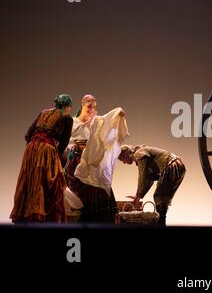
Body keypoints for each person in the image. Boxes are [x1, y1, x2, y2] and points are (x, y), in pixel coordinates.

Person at [65, 94, 128, 223]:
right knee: (81, 189)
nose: (91, 109)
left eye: (94, 107)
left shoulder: (95, 122)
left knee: (98, 182)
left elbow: (105, 124)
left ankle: (100, 219)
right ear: (82, 105)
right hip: (76, 158)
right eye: (89, 106)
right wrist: (86, 124)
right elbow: (68, 138)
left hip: (90, 156)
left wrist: (116, 115)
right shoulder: (74, 121)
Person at [10, 94, 74, 222]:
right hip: (46, 149)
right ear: (67, 106)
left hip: (31, 149)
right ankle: (41, 215)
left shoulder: (44, 112)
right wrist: (58, 156)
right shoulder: (67, 118)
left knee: (29, 180)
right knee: (47, 181)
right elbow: (64, 142)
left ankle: (26, 215)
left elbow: (28, 135)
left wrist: (33, 147)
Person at [118, 145, 186, 227]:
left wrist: (138, 194)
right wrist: (140, 195)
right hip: (178, 166)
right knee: (162, 197)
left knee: (159, 196)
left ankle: (161, 223)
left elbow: (143, 175)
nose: (124, 163)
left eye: (122, 160)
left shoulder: (139, 153)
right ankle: (161, 221)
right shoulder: (141, 152)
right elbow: (149, 178)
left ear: (125, 154)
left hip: (171, 166)